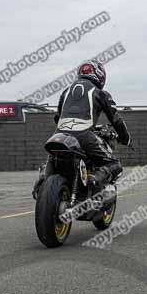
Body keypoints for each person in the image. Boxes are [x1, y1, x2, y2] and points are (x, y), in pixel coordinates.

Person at [32, 60, 131, 198]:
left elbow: (58, 117)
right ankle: (94, 178)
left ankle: (43, 177)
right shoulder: (100, 93)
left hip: (59, 134)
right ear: (100, 75)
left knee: (53, 157)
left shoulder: (66, 92)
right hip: (84, 135)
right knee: (115, 164)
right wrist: (125, 139)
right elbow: (116, 119)